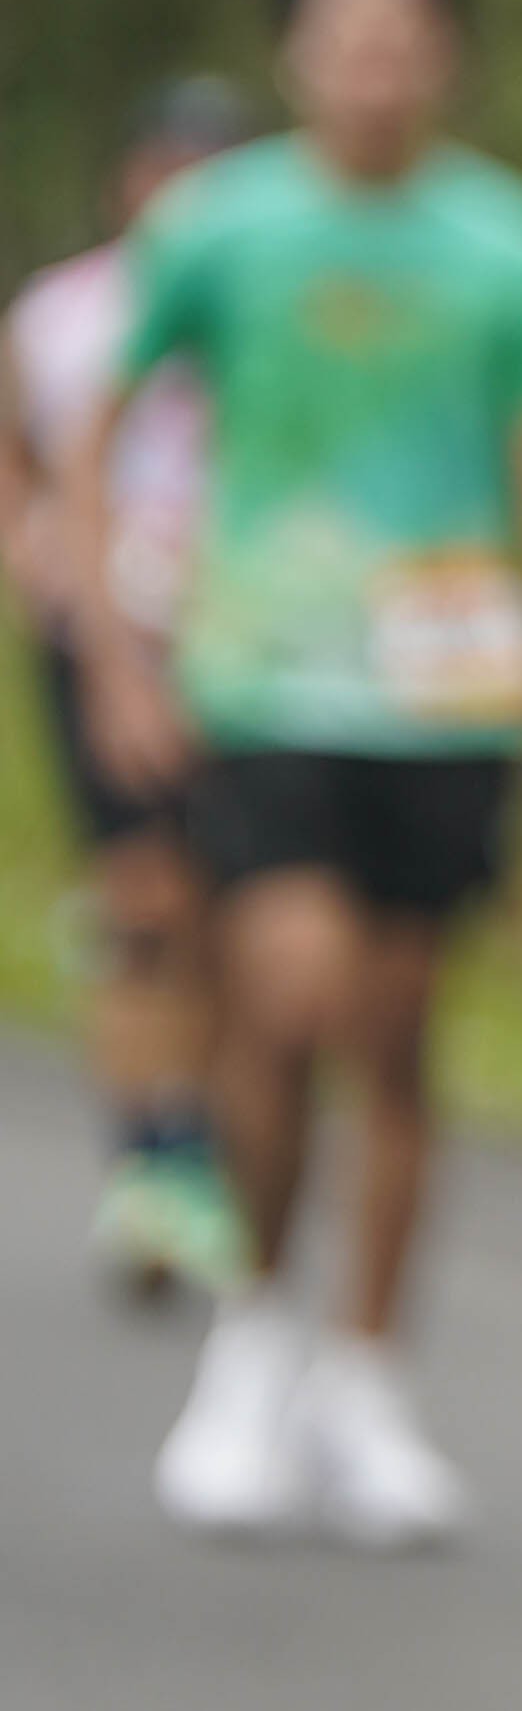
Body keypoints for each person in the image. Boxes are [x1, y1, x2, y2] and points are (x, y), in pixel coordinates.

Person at [68, 0, 522, 1546]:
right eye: (347, 26)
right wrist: (116, 657)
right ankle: (255, 1332)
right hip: (266, 677)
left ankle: (367, 1374)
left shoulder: (514, 247)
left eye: (406, 29)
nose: (376, 57)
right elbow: (95, 426)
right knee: (288, 990)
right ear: (294, 48)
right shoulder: (220, 227)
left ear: (448, 52)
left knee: (396, 1032)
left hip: (448, 694)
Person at [1, 77, 257, 1298]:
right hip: (96, 630)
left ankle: (200, 1137)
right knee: (139, 888)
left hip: (233, 637)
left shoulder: (266, 305)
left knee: (220, 901)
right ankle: (152, 1153)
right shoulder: (62, 313)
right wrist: (35, 558)